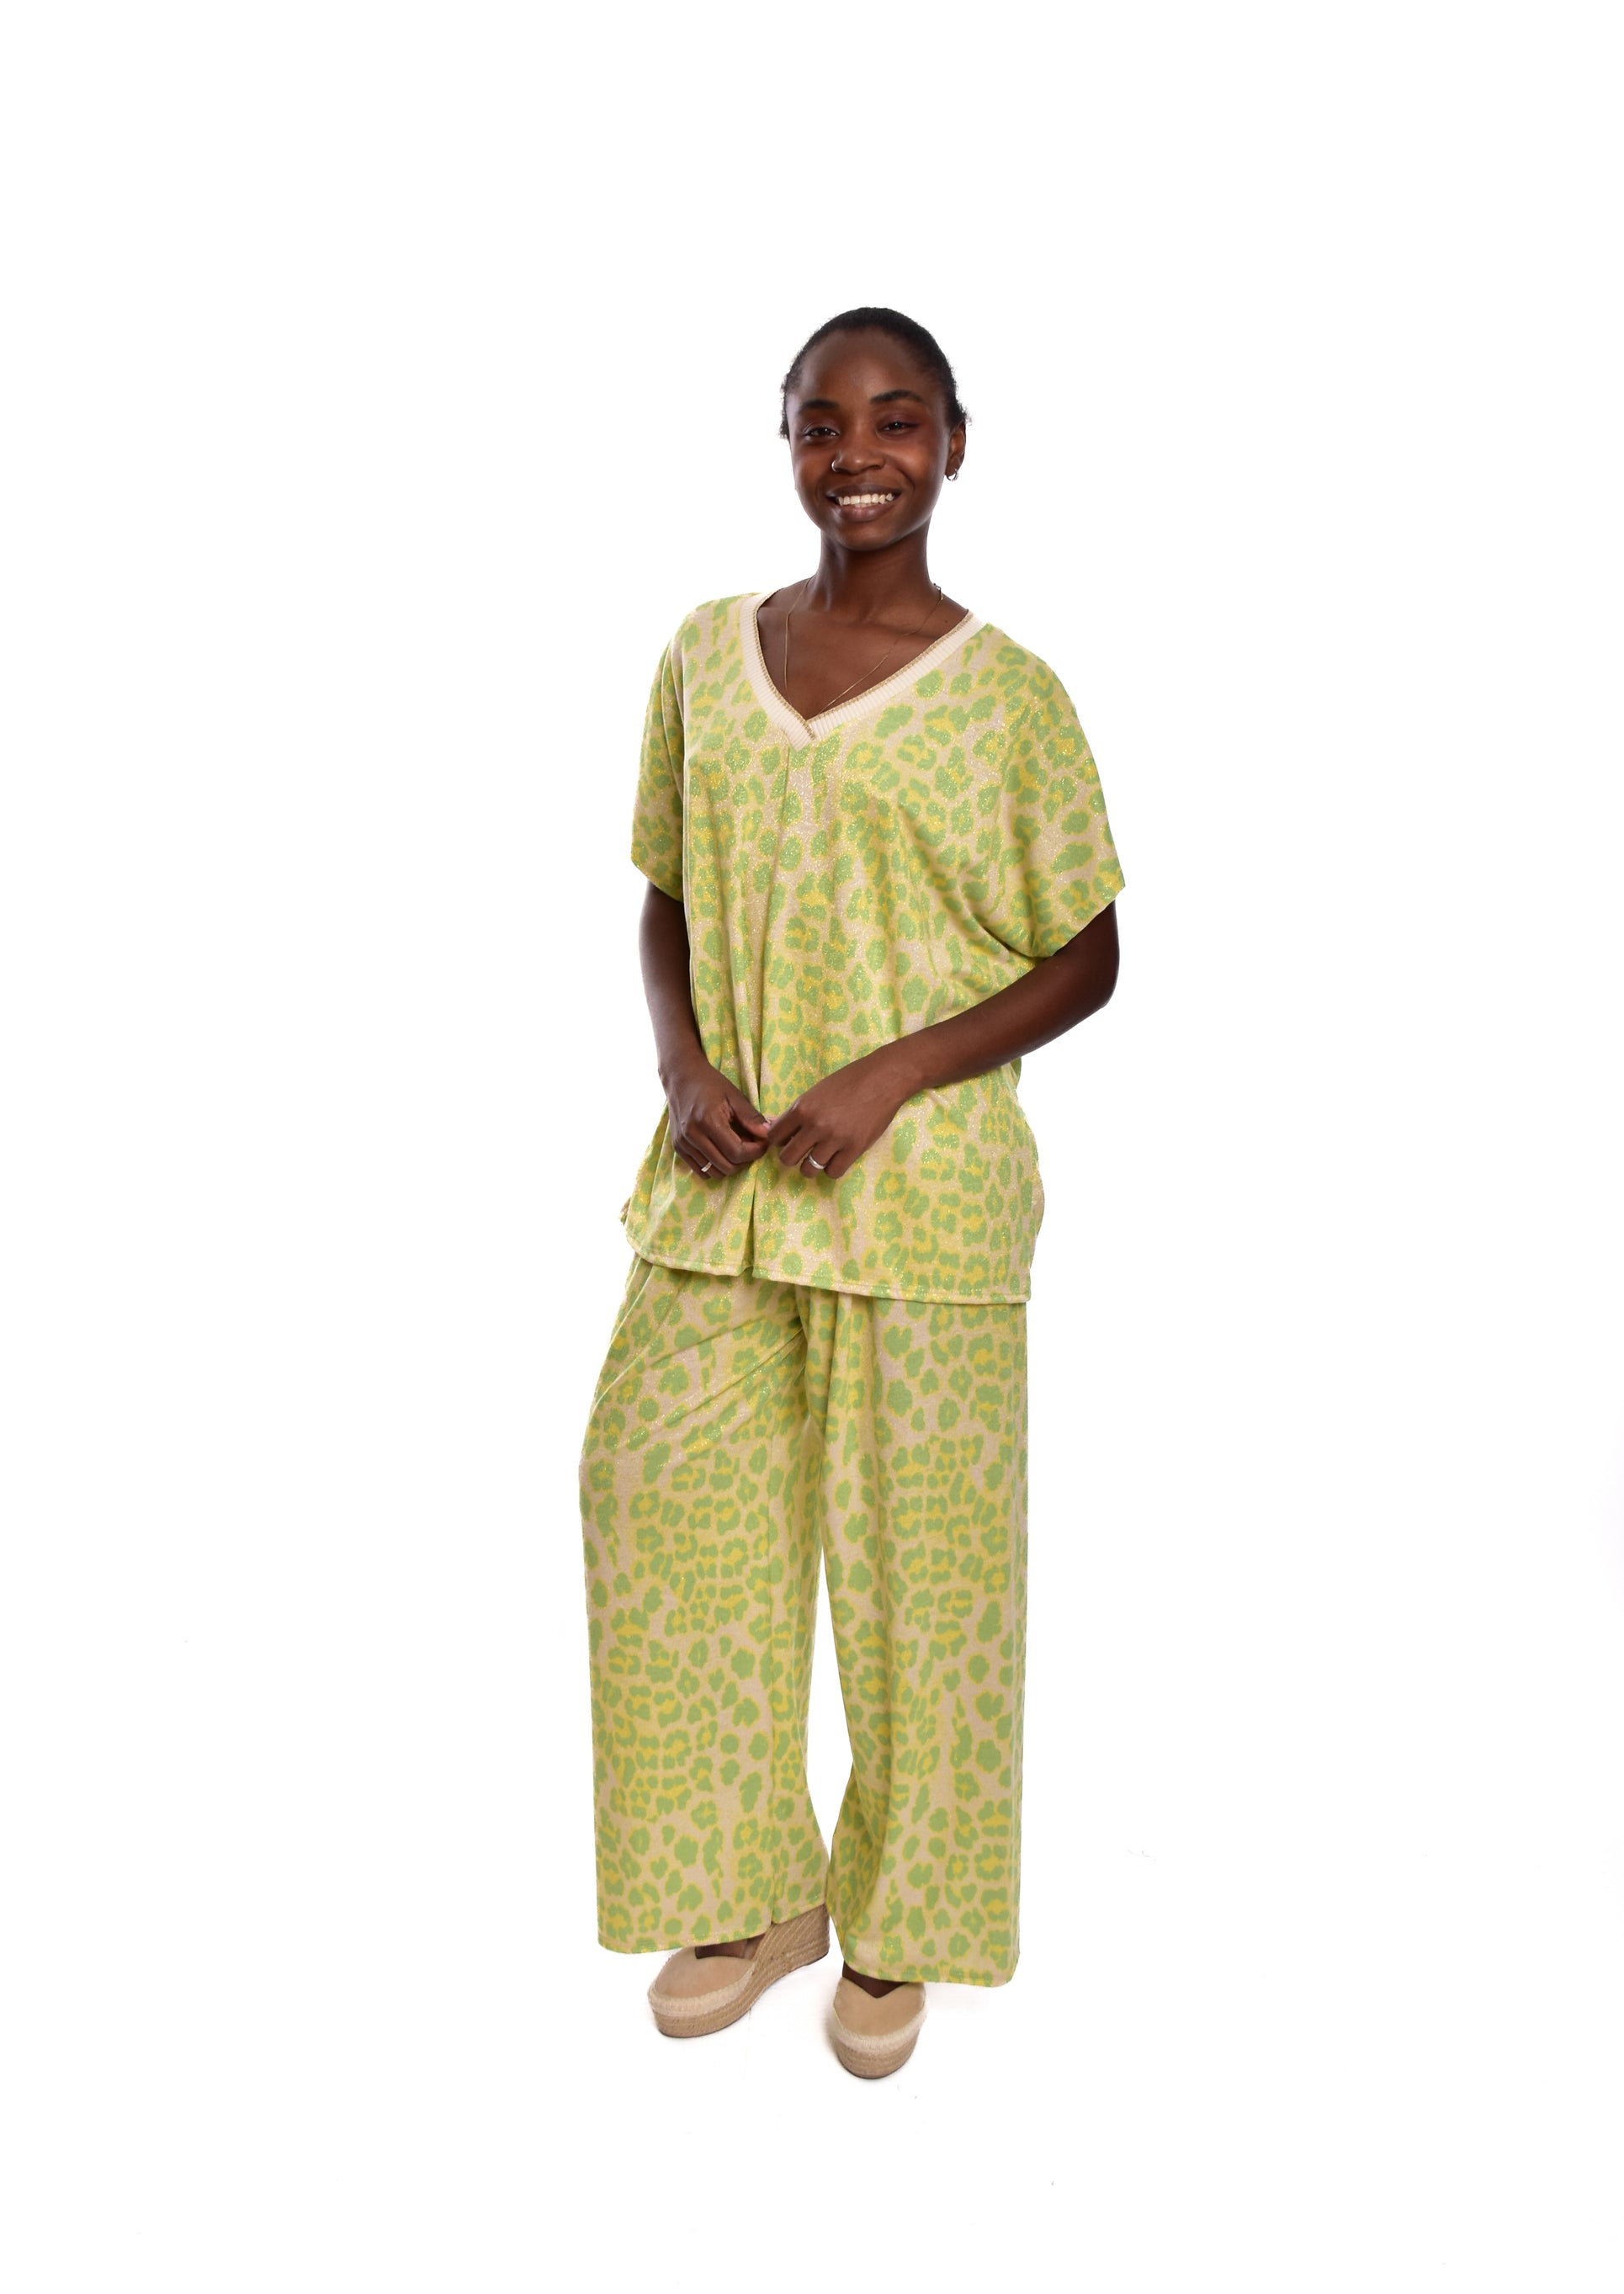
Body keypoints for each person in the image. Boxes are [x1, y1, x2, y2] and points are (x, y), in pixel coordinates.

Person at [578, 306, 1124, 2079]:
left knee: (925, 1577)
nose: (858, 455)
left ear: (954, 443)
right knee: (658, 1503)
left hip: (927, 1202)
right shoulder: (701, 654)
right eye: (824, 422)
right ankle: (744, 1886)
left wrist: (896, 1070)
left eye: (896, 420)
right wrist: (681, 1067)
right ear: (788, 443)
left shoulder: (1011, 696)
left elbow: (1089, 954)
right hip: (725, 1184)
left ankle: (901, 1922)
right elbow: (666, 893)